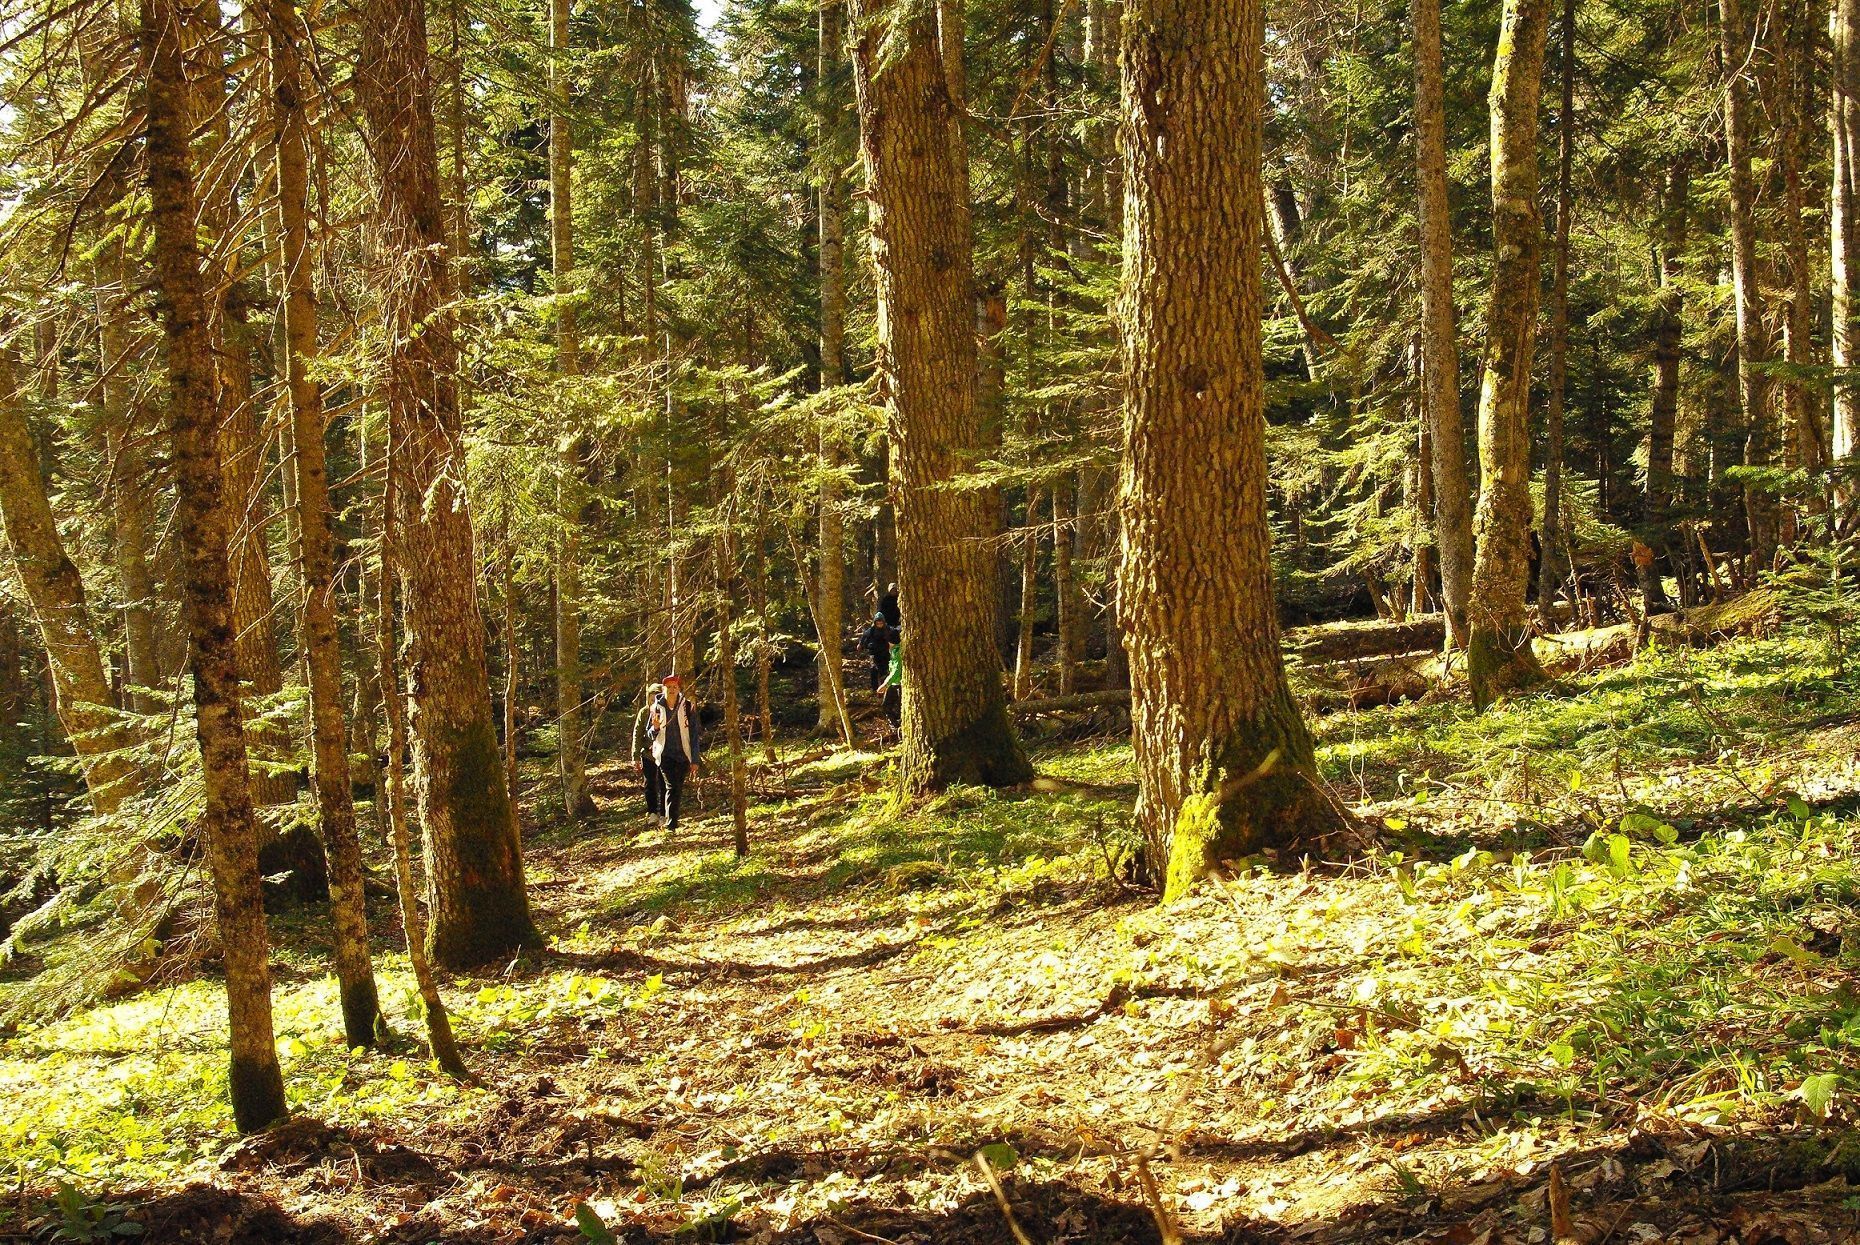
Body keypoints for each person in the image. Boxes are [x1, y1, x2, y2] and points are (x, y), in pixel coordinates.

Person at [648, 673, 702, 833]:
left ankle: (670, 820)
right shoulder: (656, 708)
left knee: (677, 787)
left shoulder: (687, 706)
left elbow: (693, 734)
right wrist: (655, 727)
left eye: (675, 687)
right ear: (663, 689)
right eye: (669, 687)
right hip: (664, 754)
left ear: (679, 689)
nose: (672, 690)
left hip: (683, 754)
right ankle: (671, 824)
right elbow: (650, 733)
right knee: (672, 786)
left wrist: (694, 759)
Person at [631, 683, 665, 825]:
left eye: (657, 699)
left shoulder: (667, 711)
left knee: (664, 783)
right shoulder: (644, 713)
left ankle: (664, 813)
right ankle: (652, 812)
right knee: (650, 783)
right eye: (651, 699)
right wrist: (635, 757)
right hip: (648, 754)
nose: (654, 702)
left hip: (664, 753)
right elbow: (637, 735)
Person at [859, 612, 893, 693]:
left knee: (884, 672)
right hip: (874, 654)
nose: (879, 624)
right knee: (874, 670)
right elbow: (863, 639)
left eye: (881, 622)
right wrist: (860, 645)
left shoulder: (888, 630)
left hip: (885, 654)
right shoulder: (870, 631)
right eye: (878, 622)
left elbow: (895, 635)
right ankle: (875, 690)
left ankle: (884, 689)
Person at [877, 635, 902, 727]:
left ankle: (900, 728)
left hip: (899, 684)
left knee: (901, 708)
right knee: (886, 706)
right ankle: (895, 726)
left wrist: (885, 684)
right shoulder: (893, 651)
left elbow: (896, 670)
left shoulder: (898, 651)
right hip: (894, 683)